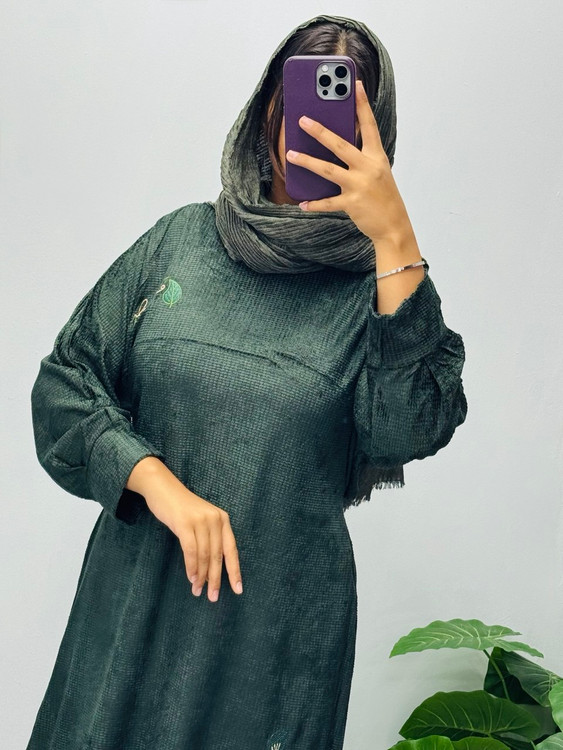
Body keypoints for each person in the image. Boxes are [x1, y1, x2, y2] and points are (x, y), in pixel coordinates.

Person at [26, 13, 468, 750]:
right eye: (296, 105)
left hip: (272, 645)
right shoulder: (180, 242)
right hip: (133, 609)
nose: (310, 133)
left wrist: (395, 236)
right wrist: (155, 483)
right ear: (266, 110)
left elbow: (410, 428)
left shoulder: (379, 290)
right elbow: (64, 385)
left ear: (377, 137)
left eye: (340, 119)